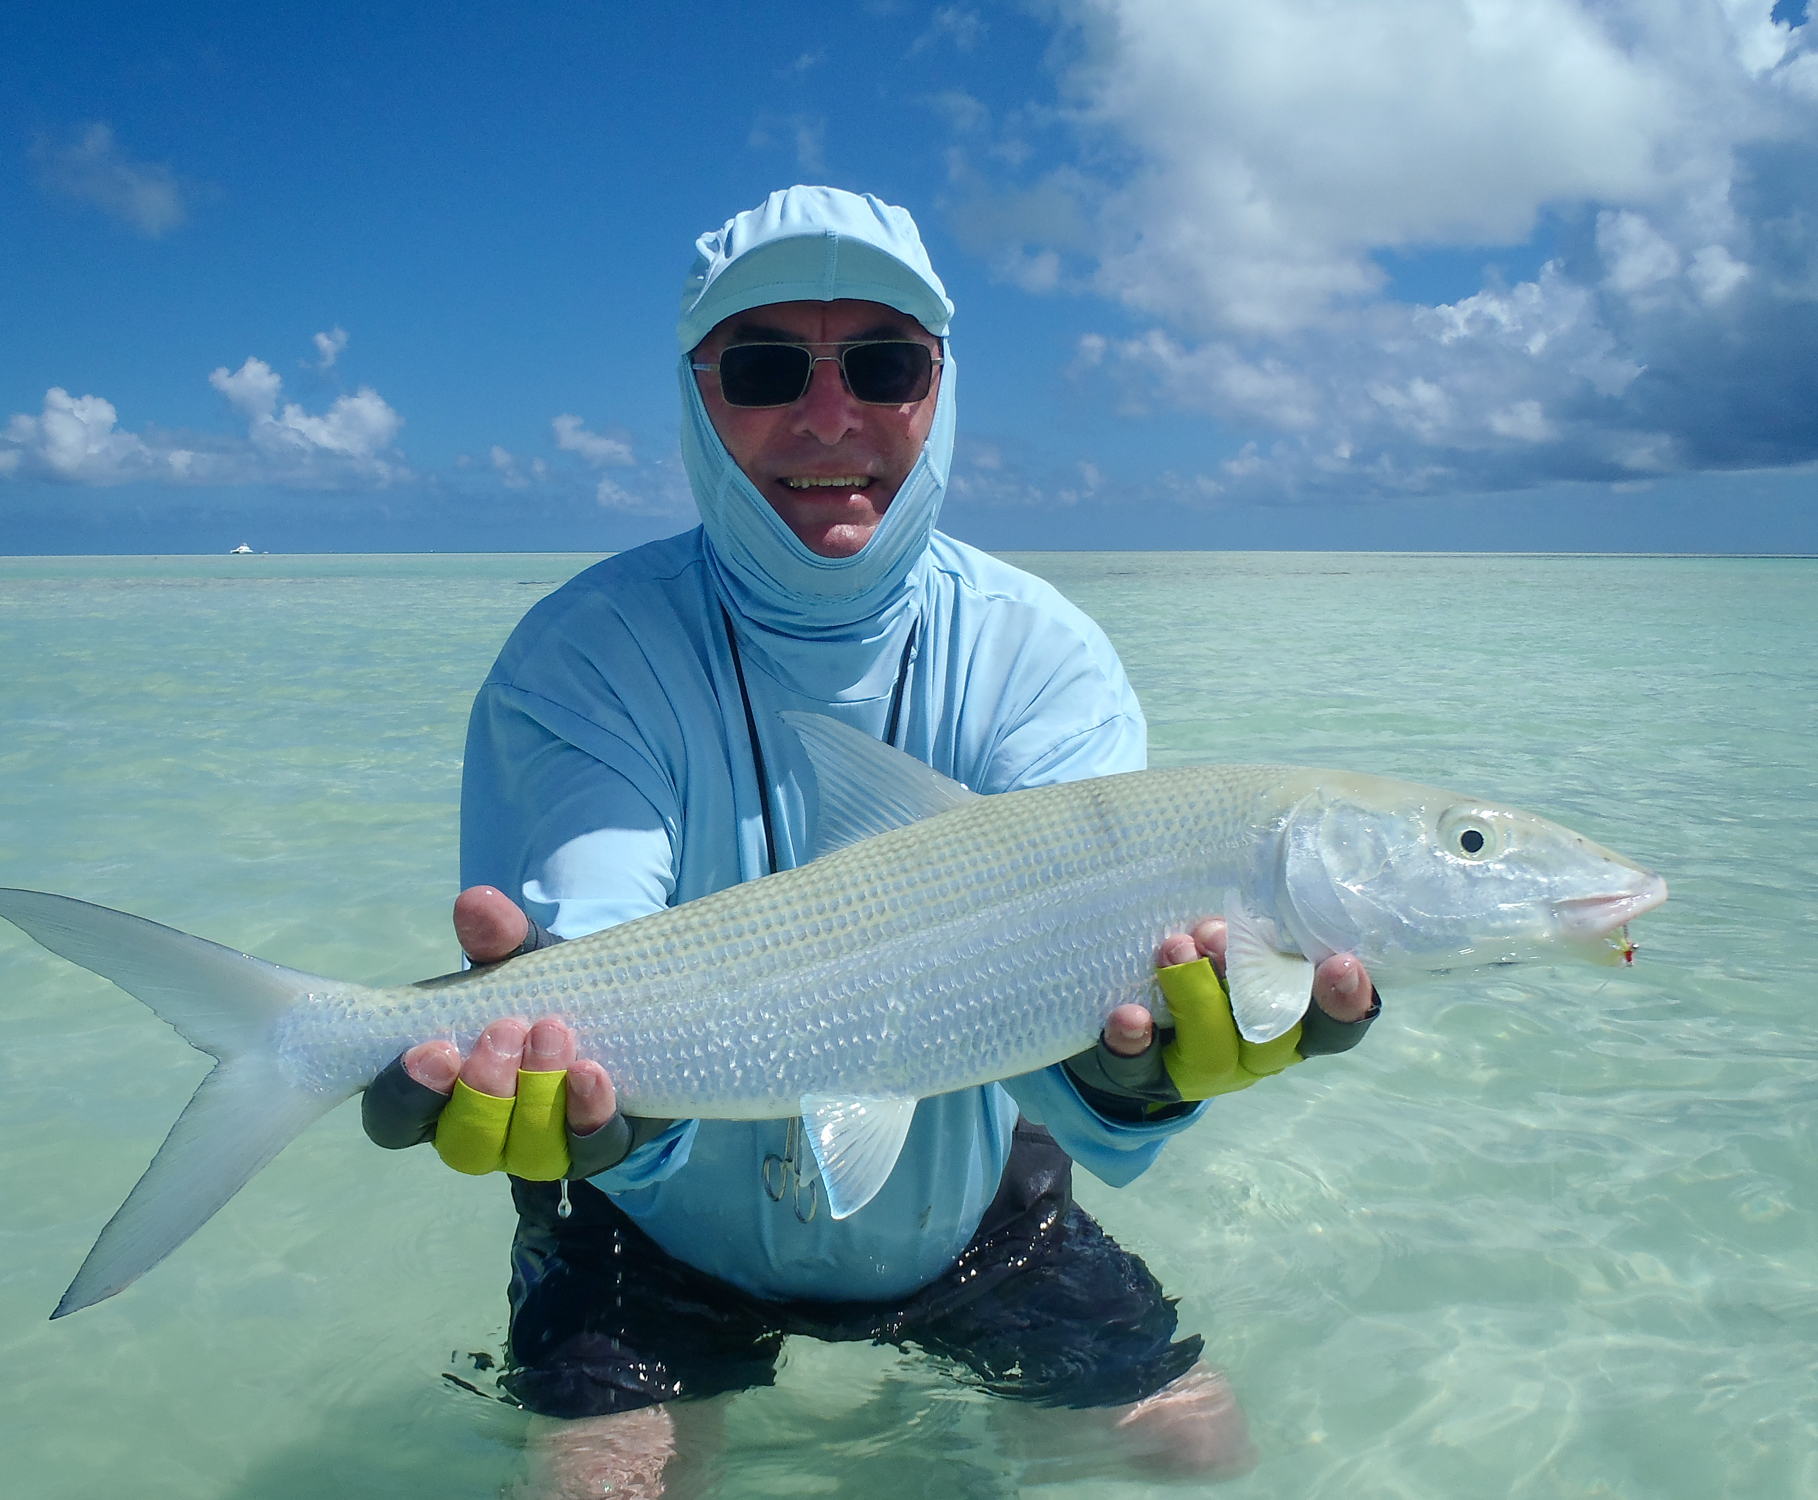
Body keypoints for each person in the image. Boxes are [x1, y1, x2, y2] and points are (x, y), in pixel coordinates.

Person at [362, 187, 1378, 1496]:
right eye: (767, 366)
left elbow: (1082, 1023)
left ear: (941, 386)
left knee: (1198, 1454)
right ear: (694, 395)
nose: (830, 417)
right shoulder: (582, 657)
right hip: (649, 1227)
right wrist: (595, 1113)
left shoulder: (1042, 657)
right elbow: (594, 949)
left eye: (884, 365)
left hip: (963, 1216)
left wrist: (1138, 1081)